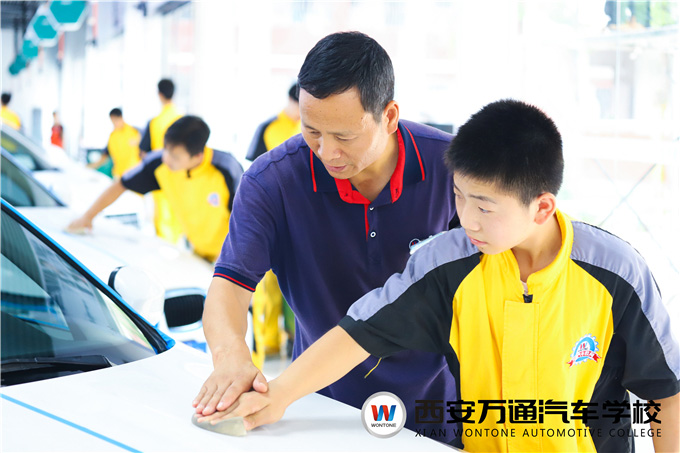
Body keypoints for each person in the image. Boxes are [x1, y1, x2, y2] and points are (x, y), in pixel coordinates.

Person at [208, 99, 680, 453]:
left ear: (541, 207)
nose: (466, 219)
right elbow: (359, 333)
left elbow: (666, 391)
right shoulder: (448, 264)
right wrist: (277, 396)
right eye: (459, 196)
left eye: (485, 207)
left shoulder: (617, 274)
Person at [193, 31, 458, 442]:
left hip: (436, 408)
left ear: (389, 116)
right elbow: (230, 284)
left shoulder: (453, 168)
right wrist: (230, 356)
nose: (326, 152)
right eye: (312, 130)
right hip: (318, 407)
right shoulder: (272, 182)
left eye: (344, 137)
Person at [67, 116, 243, 262]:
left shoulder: (227, 169)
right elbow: (121, 185)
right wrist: (87, 217)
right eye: (166, 149)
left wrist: (230, 258)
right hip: (197, 253)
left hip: (236, 257)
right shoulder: (159, 164)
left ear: (198, 156)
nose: (167, 158)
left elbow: (246, 218)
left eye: (175, 156)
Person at [246, 83, 302, 367]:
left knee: (299, 284)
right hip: (275, 215)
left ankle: (293, 339)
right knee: (267, 286)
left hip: (302, 218)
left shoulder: (315, 127)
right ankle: (267, 343)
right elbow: (254, 173)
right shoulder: (268, 128)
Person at [139, 78, 184, 244]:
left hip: (161, 178)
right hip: (182, 178)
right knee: (179, 219)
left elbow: (143, 153)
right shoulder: (184, 120)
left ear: (159, 95)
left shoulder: (154, 122)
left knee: (162, 222)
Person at [87, 108, 141, 179]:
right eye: (112, 121)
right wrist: (91, 166)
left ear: (121, 117)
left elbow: (144, 151)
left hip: (134, 172)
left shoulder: (134, 132)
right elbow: (105, 156)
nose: (114, 123)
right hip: (119, 175)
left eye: (116, 120)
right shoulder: (112, 137)